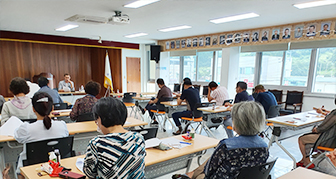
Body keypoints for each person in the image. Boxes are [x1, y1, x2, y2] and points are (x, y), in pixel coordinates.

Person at [184, 101, 269, 179]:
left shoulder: (227, 146)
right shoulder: (264, 146)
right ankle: (192, 173)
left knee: (200, 175)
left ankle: (192, 174)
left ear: (238, 122)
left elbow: (208, 171)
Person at [83, 97, 146, 178]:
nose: (96, 122)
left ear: (102, 118)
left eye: (97, 118)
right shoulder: (139, 138)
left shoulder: (97, 143)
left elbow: (89, 173)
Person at [14, 92, 69, 179]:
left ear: (33, 109)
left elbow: (17, 137)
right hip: (56, 168)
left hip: (32, 170)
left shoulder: (26, 128)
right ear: (52, 108)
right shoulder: (62, 125)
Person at [297, 99, 336, 168]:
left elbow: (324, 127)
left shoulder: (335, 114)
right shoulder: (333, 113)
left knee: (302, 139)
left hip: (327, 140)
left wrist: (316, 130)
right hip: (332, 139)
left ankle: (307, 162)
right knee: (308, 140)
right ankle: (303, 160)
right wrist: (325, 112)